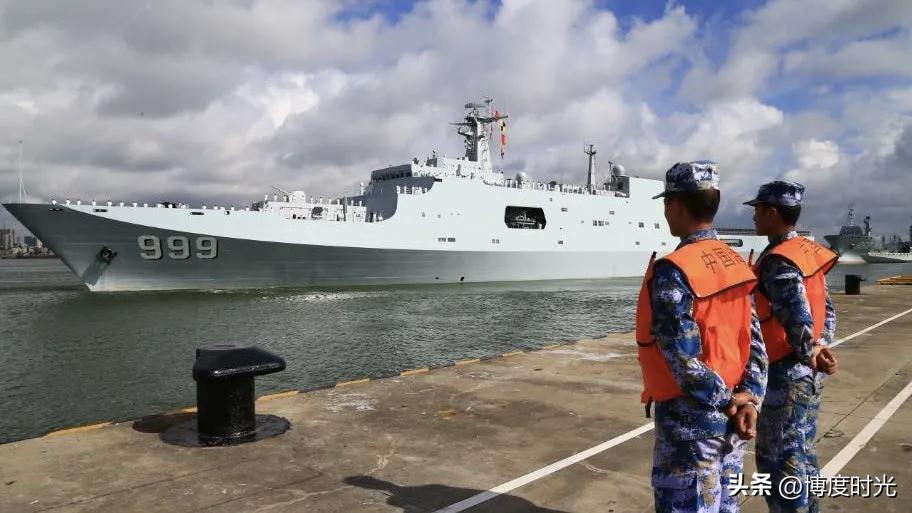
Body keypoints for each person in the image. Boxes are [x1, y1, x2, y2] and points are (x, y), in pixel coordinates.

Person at [636, 161, 768, 512]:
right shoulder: (736, 263)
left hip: (691, 428)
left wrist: (727, 401)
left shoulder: (675, 270)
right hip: (735, 422)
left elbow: (681, 358)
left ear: (677, 204)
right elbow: (756, 342)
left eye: (667, 202)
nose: (666, 211)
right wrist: (749, 399)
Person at [744, 181, 838, 513]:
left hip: (785, 376)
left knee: (779, 462)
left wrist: (809, 350)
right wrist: (821, 348)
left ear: (772, 213)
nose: (753, 216)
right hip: (809, 373)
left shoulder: (779, 261)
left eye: (757, 210)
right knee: (803, 454)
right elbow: (827, 309)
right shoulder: (805, 251)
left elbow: (797, 314)